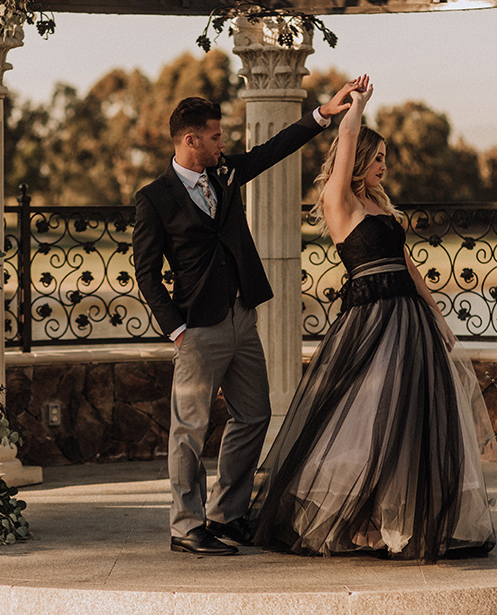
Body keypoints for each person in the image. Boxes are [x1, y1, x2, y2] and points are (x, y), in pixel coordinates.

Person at [249, 75, 497, 562]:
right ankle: (359, 523)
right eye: (378, 157)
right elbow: (345, 138)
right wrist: (357, 108)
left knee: (410, 423)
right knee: (367, 423)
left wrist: (439, 318)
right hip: (368, 324)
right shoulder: (338, 202)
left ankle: (397, 524)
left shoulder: (381, 208)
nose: (384, 166)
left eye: (386, 158)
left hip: (409, 320)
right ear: (360, 159)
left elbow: (409, 268)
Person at [133, 83, 360, 556]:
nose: (223, 143)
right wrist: (176, 329)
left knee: (254, 415)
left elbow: (274, 149)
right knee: (189, 431)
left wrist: (322, 114)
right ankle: (186, 527)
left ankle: (226, 515)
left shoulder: (227, 173)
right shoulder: (154, 198)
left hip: (242, 316)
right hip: (196, 328)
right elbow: (146, 272)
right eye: (215, 137)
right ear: (190, 140)